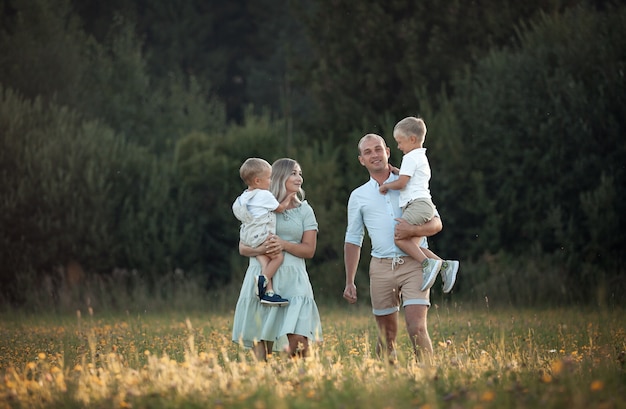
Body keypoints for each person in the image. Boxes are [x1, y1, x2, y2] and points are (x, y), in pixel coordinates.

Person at [343, 133, 457, 362]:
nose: (374, 155)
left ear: (387, 151)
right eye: (368, 152)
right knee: (387, 335)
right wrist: (349, 280)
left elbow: (436, 223)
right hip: (381, 268)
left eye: (378, 149)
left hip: (417, 265)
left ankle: (428, 378)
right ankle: (385, 381)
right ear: (361, 160)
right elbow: (354, 239)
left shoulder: (409, 185)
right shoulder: (358, 196)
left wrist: (412, 232)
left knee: (416, 327)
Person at [232, 158, 322, 361]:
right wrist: (263, 248)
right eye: (294, 173)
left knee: (300, 342)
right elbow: (242, 247)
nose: (299, 177)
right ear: (278, 177)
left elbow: (309, 250)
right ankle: (268, 386)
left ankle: (299, 384)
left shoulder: (304, 210)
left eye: (300, 173)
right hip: (262, 276)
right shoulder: (260, 204)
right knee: (261, 346)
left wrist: (284, 244)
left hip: (294, 279)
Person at [378, 117, 459, 292]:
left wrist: (386, 186)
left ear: (412, 139)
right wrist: (398, 172)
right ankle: (445, 266)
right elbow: (409, 178)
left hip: (416, 205)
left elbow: (402, 184)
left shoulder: (409, 157)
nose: (399, 146)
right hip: (424, 204)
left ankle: (427, 264)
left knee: (399, 238)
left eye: (400, 142)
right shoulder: (420, 156)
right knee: (414, 245)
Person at [232, 158, 295, 305]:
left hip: (247, 237)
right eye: (269, 178)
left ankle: (268, 293)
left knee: (265, 260)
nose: (271, 181)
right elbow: (279, 209)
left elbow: (238, 213)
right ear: (258, 181)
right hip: (262, 235)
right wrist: (288, 199)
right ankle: (263, 279)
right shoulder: (264, 195)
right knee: (278, 258)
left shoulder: (242, 198)